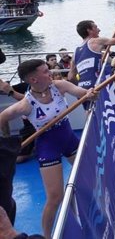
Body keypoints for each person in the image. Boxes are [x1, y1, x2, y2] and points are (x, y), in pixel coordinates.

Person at [0, 59, 95, 238]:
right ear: (34, 79)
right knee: (55, 198)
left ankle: (88, 213)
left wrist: (90, 94)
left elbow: (82, 93)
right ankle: (47, 235)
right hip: (47, 146)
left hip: (69, 140)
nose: (50, 72)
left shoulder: (59, 86)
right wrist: (6, 141)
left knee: (89, 178)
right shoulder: (26, 104)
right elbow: (2, 118)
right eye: (45, 71)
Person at [68, 19, 115, 91]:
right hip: (98, 86)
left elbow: (70, 77)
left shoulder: (75, 52)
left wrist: (80, 86)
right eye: (96, 27)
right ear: (89, 30)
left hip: (83, 89)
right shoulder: (95, 41)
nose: (99, 30)